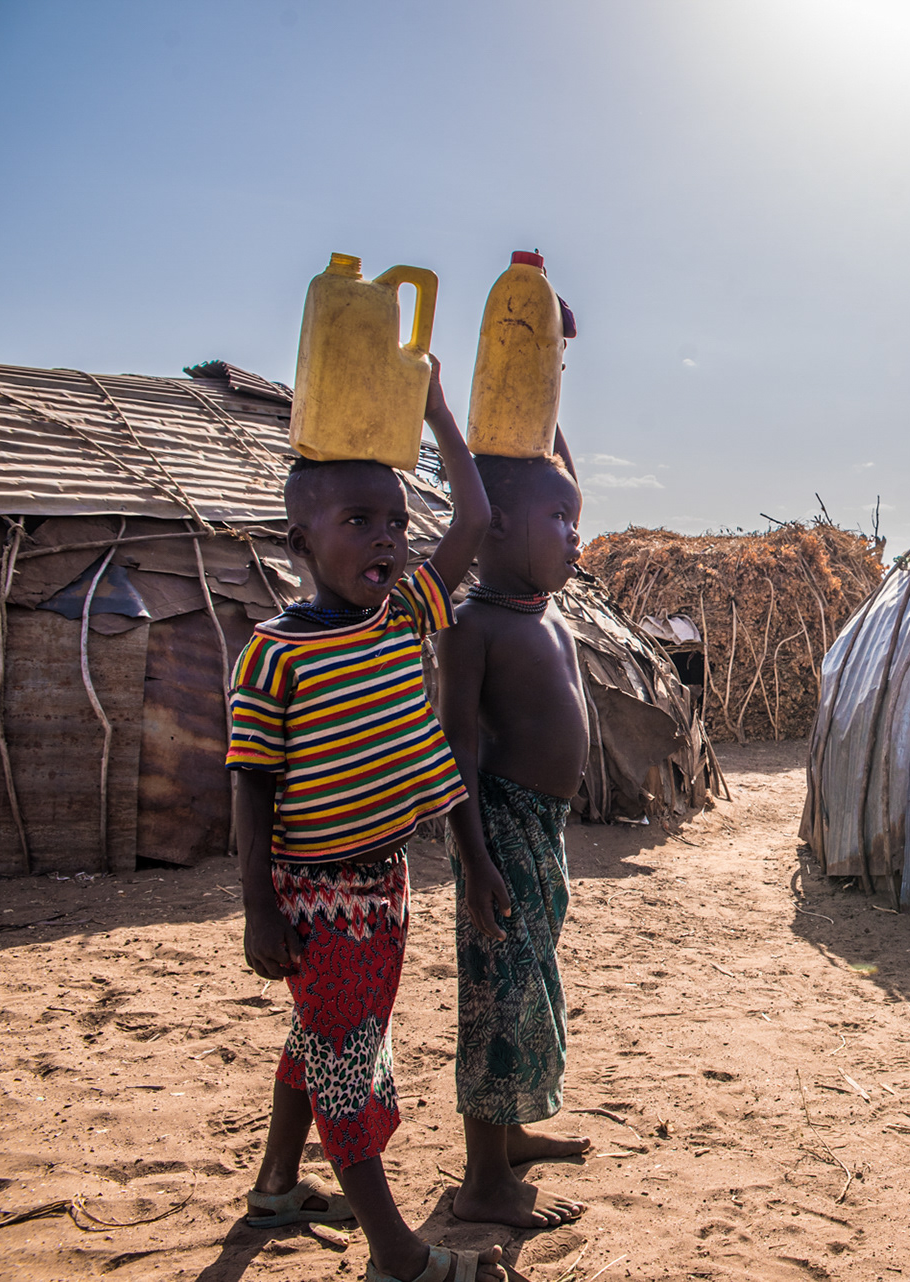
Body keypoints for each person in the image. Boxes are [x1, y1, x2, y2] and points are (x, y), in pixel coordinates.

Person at [228, 358, 506, 1282]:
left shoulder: (403, 616)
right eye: (358, 521)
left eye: (395, 522)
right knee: (347, 1058)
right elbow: (250, 789)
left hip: (387, 879)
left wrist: (437, 412)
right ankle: (396, 1254)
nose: (386, 538)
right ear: (300, 542)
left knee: (326, 1035)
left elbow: (474, 520)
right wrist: (258, 908)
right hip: (316, 893)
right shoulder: (275, 655)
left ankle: (277, 1185)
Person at [435, 429, 593, 1229]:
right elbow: (455, 747)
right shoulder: (473, 625)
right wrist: (475, 857)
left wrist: (551, 394)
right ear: (493, 524)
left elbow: (558, 484)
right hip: (497, 829)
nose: (574, 536)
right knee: (497, 997)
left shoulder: (542, 607)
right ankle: (483, 1180)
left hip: (543, 827)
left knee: (529, 983)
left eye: (575, 519)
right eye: (558, 521)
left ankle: (514, 1134)